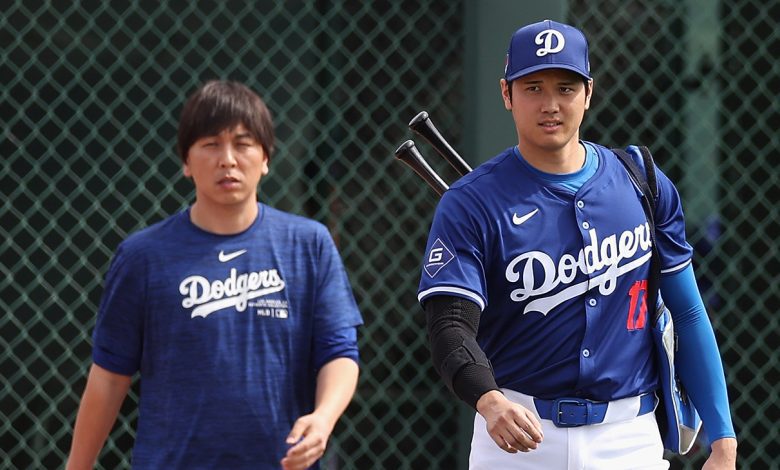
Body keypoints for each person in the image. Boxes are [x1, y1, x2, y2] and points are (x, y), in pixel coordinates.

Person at [418, 19, 737, 469]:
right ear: (506, 94)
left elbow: (687, 312)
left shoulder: (641, 181)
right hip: (519, 435)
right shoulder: (470, 202)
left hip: (629, 437)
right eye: (533, 88)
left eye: (565, 88)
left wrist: (723, 439)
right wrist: (489, 401)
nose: (550, 104)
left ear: (588, 92)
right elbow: (450, 326)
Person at [66, 80, 363, 469]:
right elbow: (109, 376)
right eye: (210, 144)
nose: (228, 159)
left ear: (266, 157)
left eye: (243, 143)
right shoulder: (143, 257)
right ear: (186, 162)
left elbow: (340, 352)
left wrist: (323, 420)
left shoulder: (309, 244)